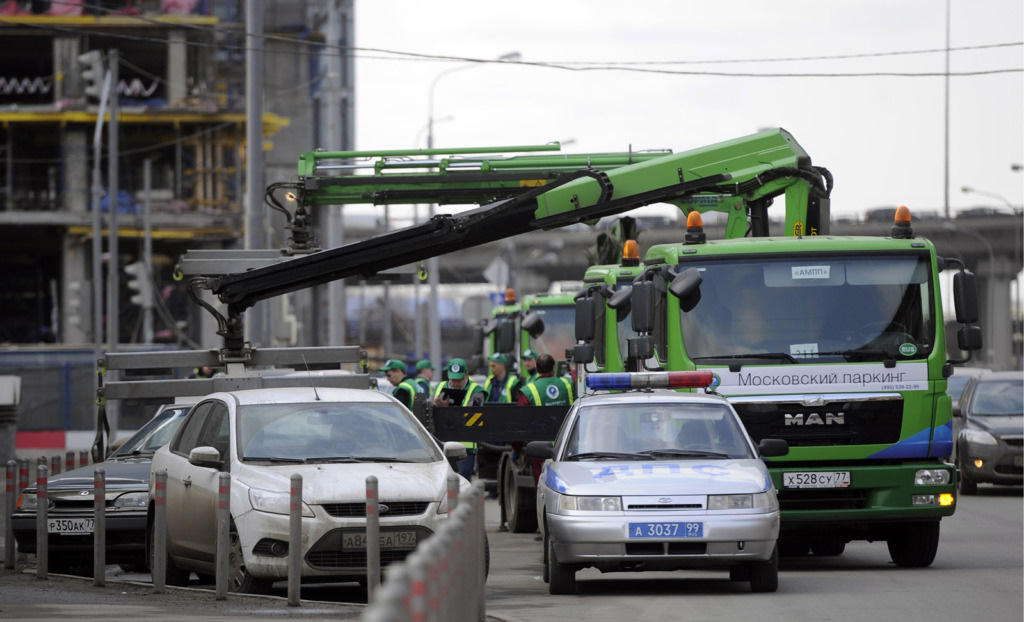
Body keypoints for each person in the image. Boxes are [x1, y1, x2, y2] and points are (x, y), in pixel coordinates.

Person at [432, 358, 486, 480]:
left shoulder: (477, 391)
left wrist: (447, 409)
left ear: (467, 374)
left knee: (461, 485)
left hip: (464, 449)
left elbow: (473, 420)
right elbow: (428, 413)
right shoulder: (439, 387)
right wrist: (436, 406)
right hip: (441, 446)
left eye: (459, 379)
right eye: (453, 379)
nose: (455, 383)